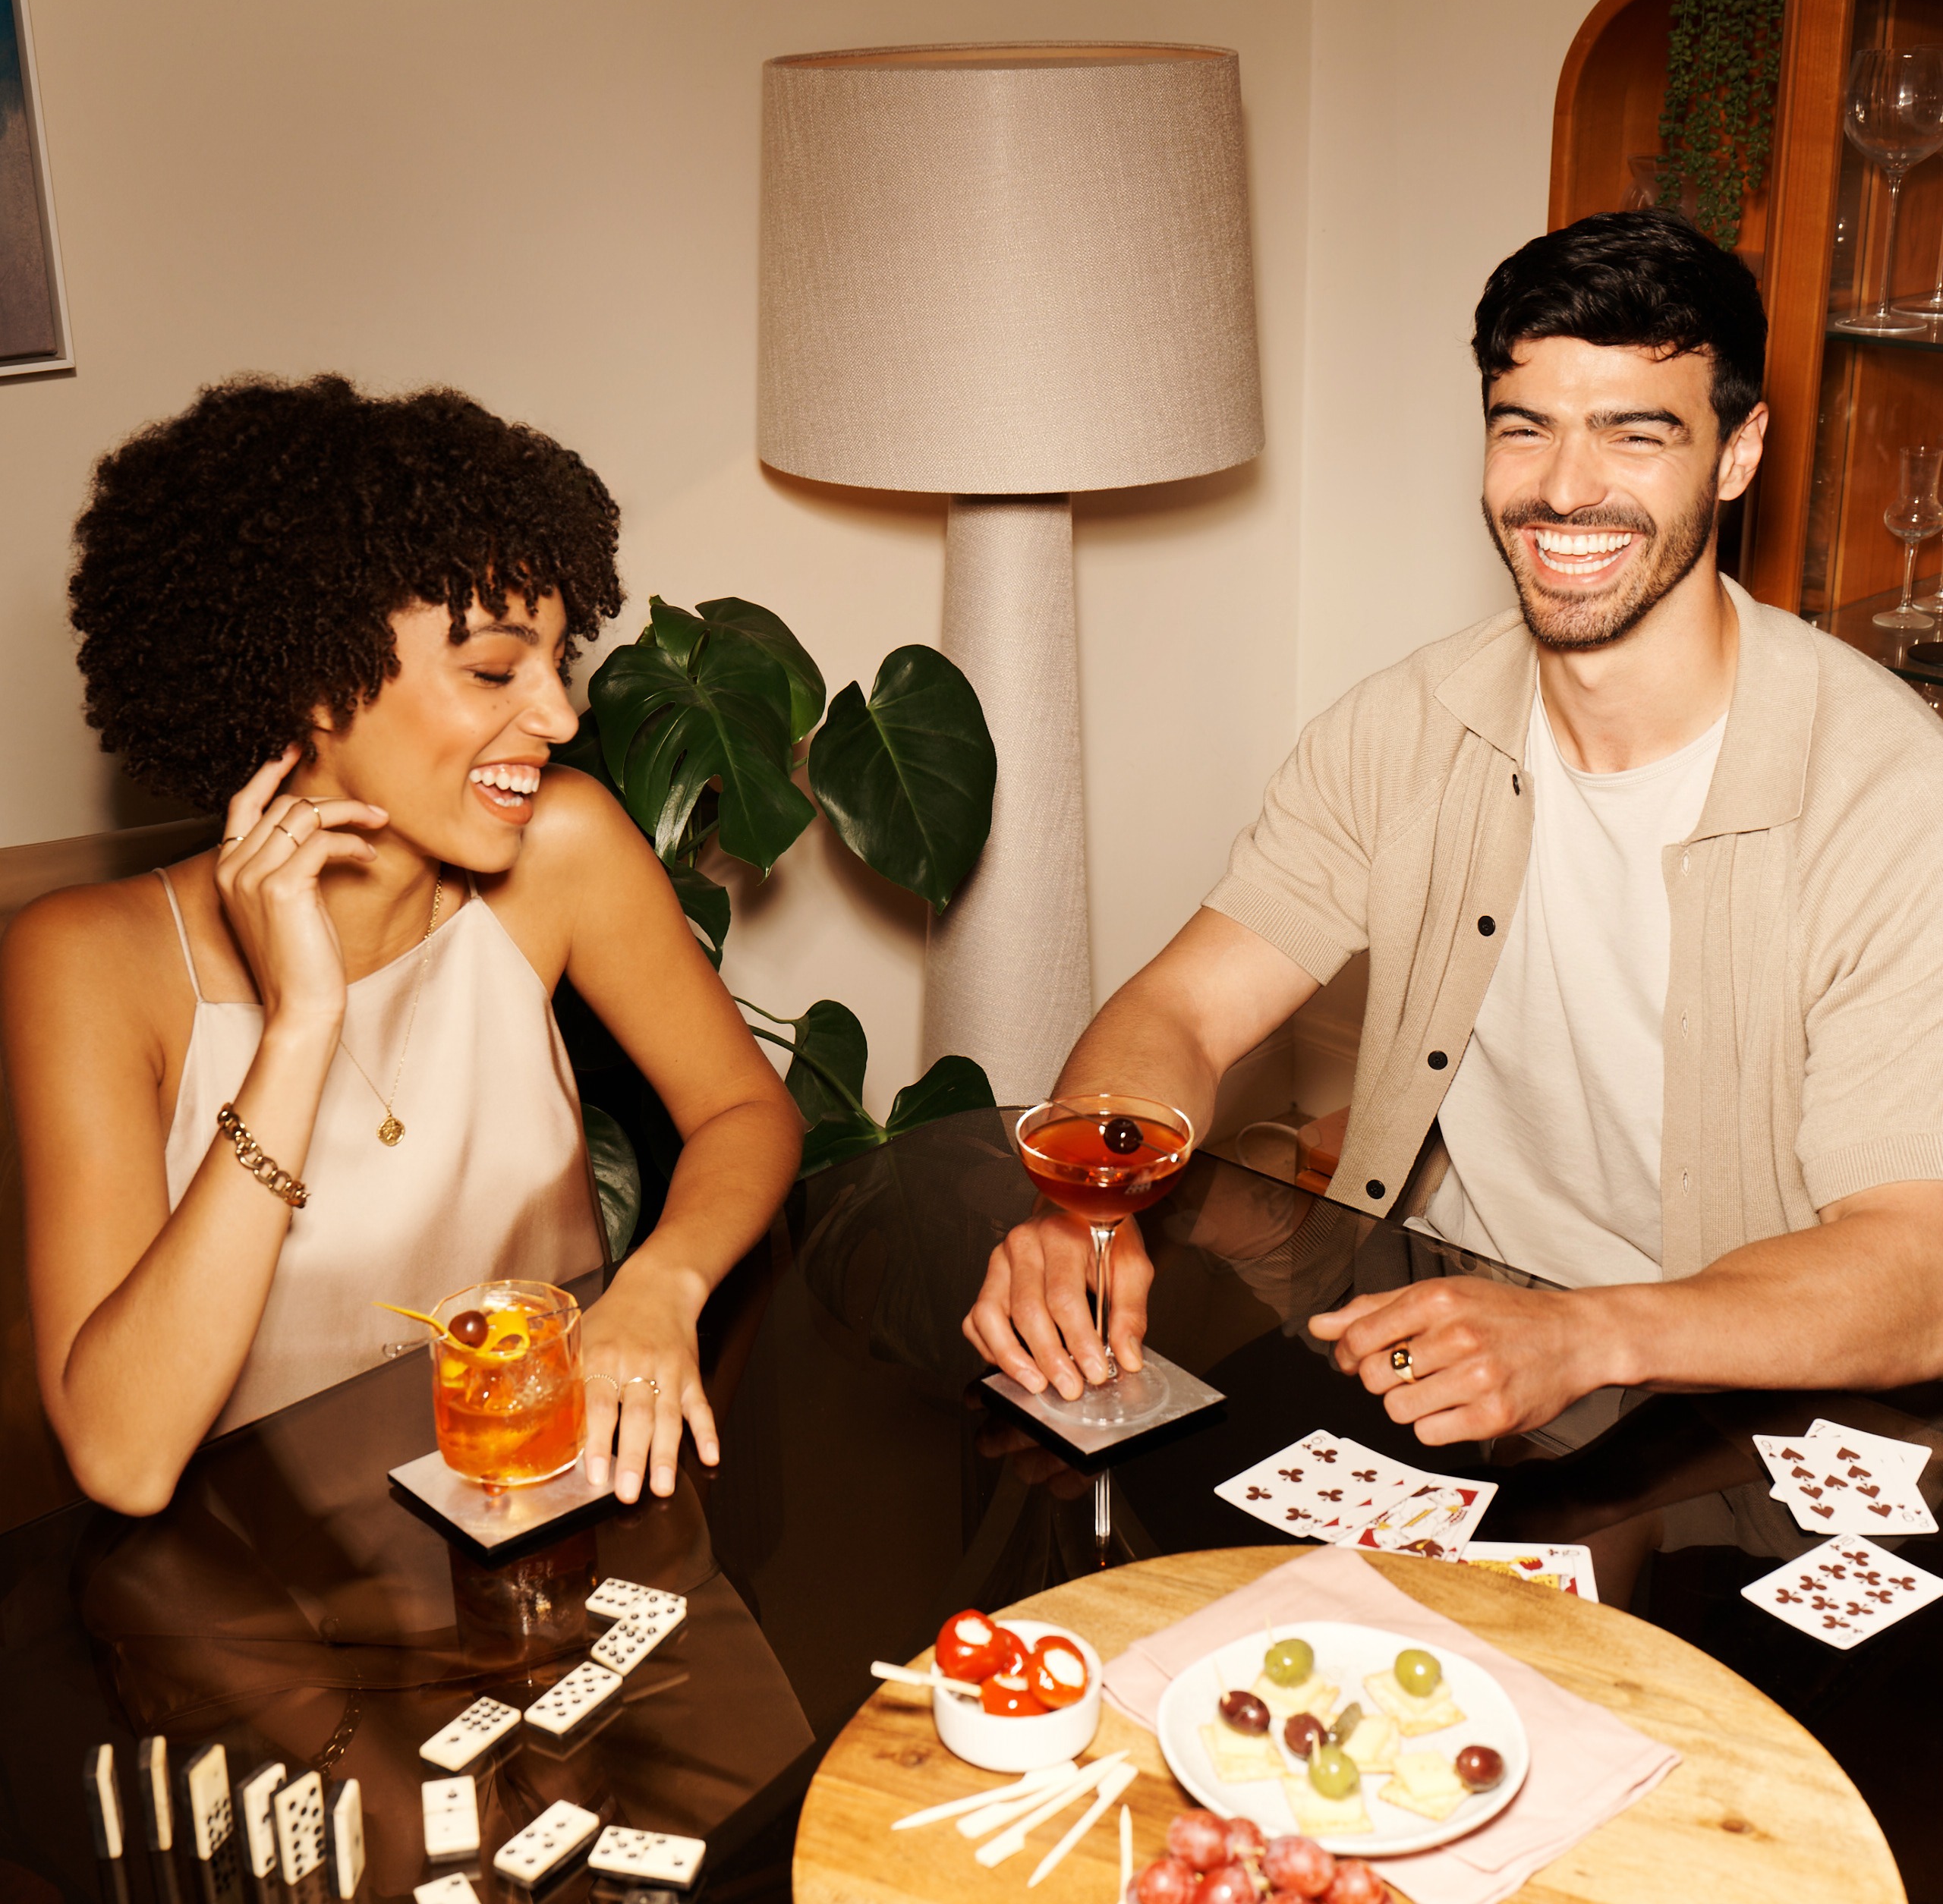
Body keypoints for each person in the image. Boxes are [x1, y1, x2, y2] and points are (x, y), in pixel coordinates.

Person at [966, 210, 1943, 1452]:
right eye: (1524, 427)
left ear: (1737, 454)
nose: (1564, 489)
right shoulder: (1404, 724)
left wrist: (1583, 1333)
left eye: (1635, 435)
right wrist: (1088, 1205)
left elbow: (1920, 1267)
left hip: (1744, 1419)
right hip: (1432, 1355)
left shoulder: (1891, 793)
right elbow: (1185, 1013)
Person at [1, 374, 802, 1517]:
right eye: (495, 672)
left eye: (558, 662)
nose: (561, 718)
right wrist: (301, 1030)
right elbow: (123, 1462)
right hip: (264, 1583)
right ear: (319, 685)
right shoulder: (87, 961)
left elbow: (743, 1110)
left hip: (556, 1504)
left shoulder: (562, 848)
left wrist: (661, 1284)